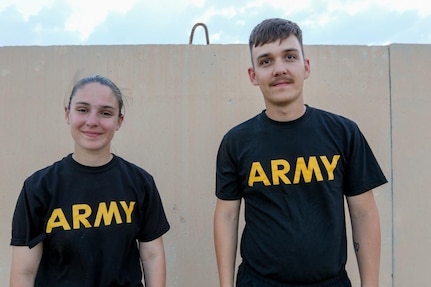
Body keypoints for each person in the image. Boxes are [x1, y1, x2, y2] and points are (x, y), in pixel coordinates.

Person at [214, 18, 387, 287]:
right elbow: (227, 216)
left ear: (306, 67)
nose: (279, 69)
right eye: (266, 61)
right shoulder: (236, 142)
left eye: (290, 56)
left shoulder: (343, 133)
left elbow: (363, 213)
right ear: (253, 75)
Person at [10, 75, 170, 287]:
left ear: (119, 121)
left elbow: (152, 256)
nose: (92, 122)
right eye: (83, 109)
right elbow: (24, 272)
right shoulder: (39, 187)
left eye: (105, 113)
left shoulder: (140, 182)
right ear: (67, 114)